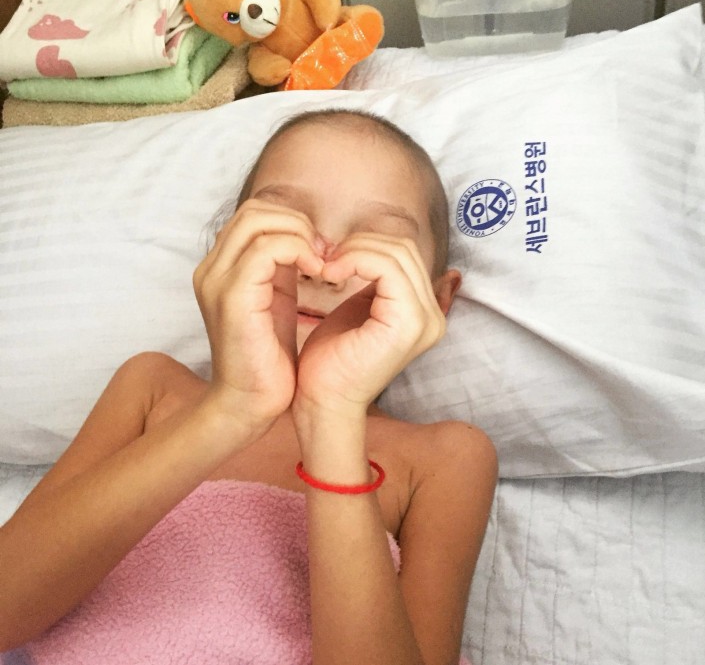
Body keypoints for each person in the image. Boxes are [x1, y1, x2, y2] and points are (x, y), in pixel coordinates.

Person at [0, 108, 498, 665]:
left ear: (436, 299)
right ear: (225, 253)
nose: (318, 265)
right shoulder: (151, 389)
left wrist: (332, 417)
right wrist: (233, 408)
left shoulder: (446, 459)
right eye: (283, 225)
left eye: (377, 243)